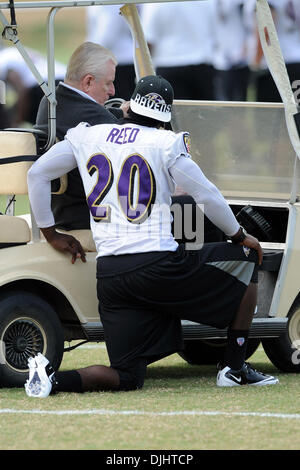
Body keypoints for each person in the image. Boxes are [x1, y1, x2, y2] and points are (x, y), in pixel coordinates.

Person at [25, 75, 278, 397]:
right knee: (247, 259)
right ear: (165, 115)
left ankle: (51, 380)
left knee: (126, 376)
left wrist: (50, 233)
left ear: (130, 104)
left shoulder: (88, 135)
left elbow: (37, 174)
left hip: (113, 276)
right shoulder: (165, 143)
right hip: (158, 266)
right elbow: (208, 196)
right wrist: (240, 234)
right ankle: (235, 366)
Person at [35, 42, 129, 231]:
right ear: (88, 82)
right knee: (191, 211)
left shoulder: (49, 102)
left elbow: (80, 115)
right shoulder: (98, 118)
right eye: (108, 83)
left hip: (60, 210)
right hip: (93, 217)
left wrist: (118, 114)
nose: (113, 91)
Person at [141, 2, 216, 100]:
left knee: (174, 113)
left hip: (169, 63)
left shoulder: (155, 4)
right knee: (205, 112)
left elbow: (148, 39)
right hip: (202, 63)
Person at [244, 0, 300, 102]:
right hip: (296, 59)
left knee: (269, 115)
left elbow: (266, 28)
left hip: (276, 65)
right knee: (296, 114)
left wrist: (256, 64)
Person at [0, 46, 66, 126]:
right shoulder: (10, 53)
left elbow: (22, 91)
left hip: (45, 85)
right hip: (61, 80)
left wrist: (17, 120)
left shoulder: (3, 61)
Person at [86, 5, 136, 100]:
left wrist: (88, 55)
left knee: (118, 104)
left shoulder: (110, 6)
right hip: (120, 59)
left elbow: (107, 36)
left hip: (118, 61)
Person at [211, 0, 250, 101]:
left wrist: (246, 47)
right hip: (219, 59)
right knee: (222, 102)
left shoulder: (239, 4)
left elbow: (248, 24)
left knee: (239, 103)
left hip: (240, 58)